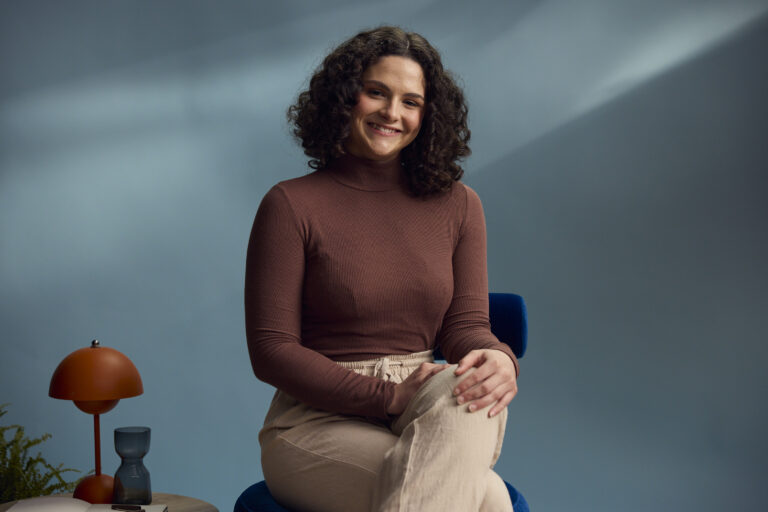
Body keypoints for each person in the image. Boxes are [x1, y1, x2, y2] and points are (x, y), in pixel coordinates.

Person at [244, 25, 520, 512]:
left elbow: (465, 328)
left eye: (411, 102)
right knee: (490, 500)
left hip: (427, 403)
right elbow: (271, 351)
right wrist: (386, 396)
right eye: (376, 93)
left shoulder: (459, 205)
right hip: (315, 421)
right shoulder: (290, 205)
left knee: (465, 383)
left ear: (427, 115)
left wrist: (497, 357)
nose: (393, 113)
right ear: (344, 98)